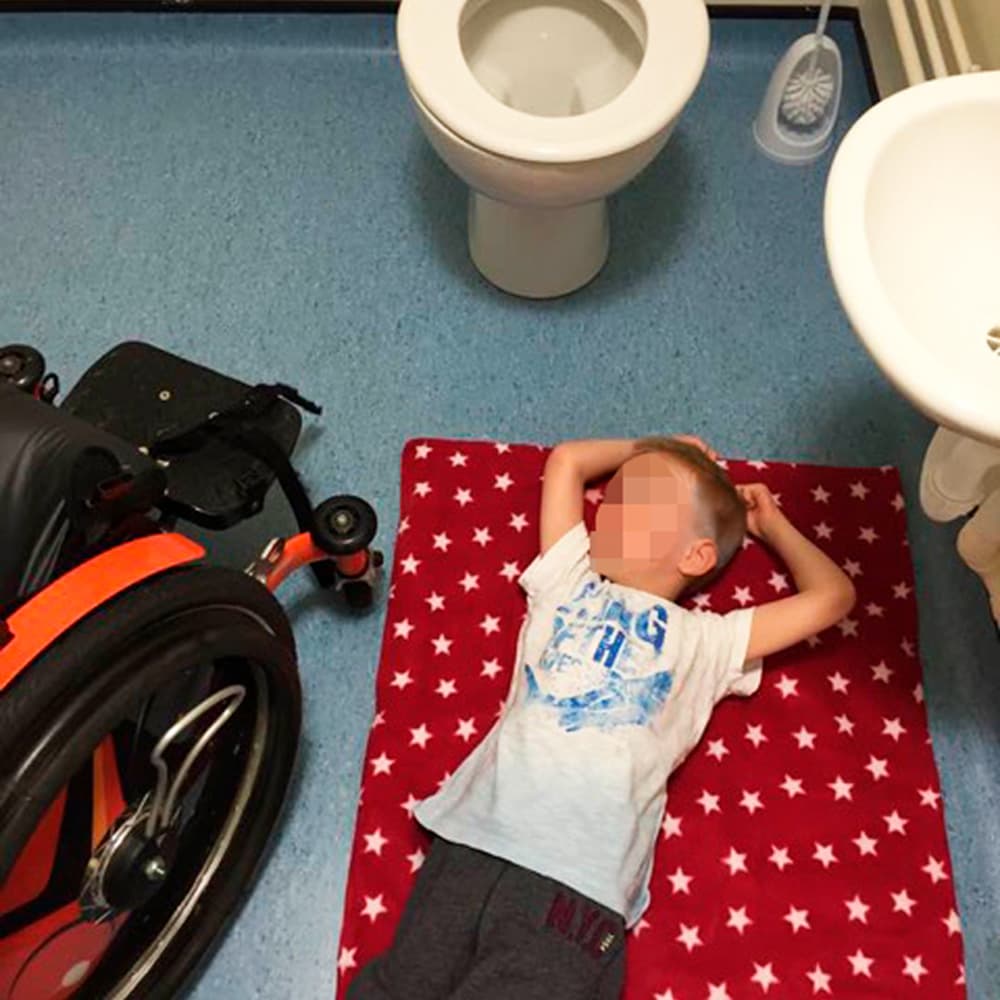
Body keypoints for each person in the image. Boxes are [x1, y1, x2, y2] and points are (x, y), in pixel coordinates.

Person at [347, 435, 856, 1000]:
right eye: (612, 502)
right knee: (398, 985)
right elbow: (567, 462)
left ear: (696, 556)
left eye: (639, 506)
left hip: (576, 881)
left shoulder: (707, 641)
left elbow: (832, 597)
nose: (609, 515)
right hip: (475, 841)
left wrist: (773, 525)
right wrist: (649, 446)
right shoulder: (569, 585)